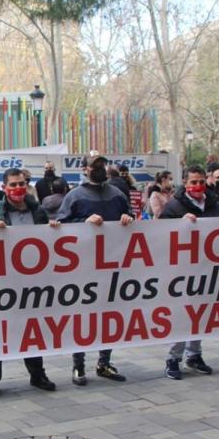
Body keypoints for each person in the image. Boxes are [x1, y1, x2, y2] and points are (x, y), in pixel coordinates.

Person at [0, 168, 58, 398]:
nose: (18, 188)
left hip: (31, 283)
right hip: (0, 283)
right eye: (13, 185)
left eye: (22, 183)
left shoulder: (38, 211)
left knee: (31, 329)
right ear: (5, 187)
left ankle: (37, 374)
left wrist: (54, 231)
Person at [58, 155, 133, 385]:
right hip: (83, 266)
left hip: (112, 265)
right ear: (85, 169)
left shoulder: (118, 194)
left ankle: (104, 362)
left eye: (102, 165)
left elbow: (132, 217)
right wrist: (84, 222)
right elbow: (60, 226)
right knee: (82, 317)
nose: (99, 169)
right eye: (94, 166)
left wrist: (127, 218)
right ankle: (78, 365)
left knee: (109, 315)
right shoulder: (74, 195)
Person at [159, 165, 219, 379]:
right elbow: (160, 233)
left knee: (200, 312)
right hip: (182, 269)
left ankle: (194, 355)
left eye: (200, 182)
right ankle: (173, 358)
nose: (197, 186)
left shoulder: (213, 203)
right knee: (181, 313)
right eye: (193, 182)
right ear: (185, 184)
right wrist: (181, 224)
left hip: (206, 267)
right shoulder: (174, 206)